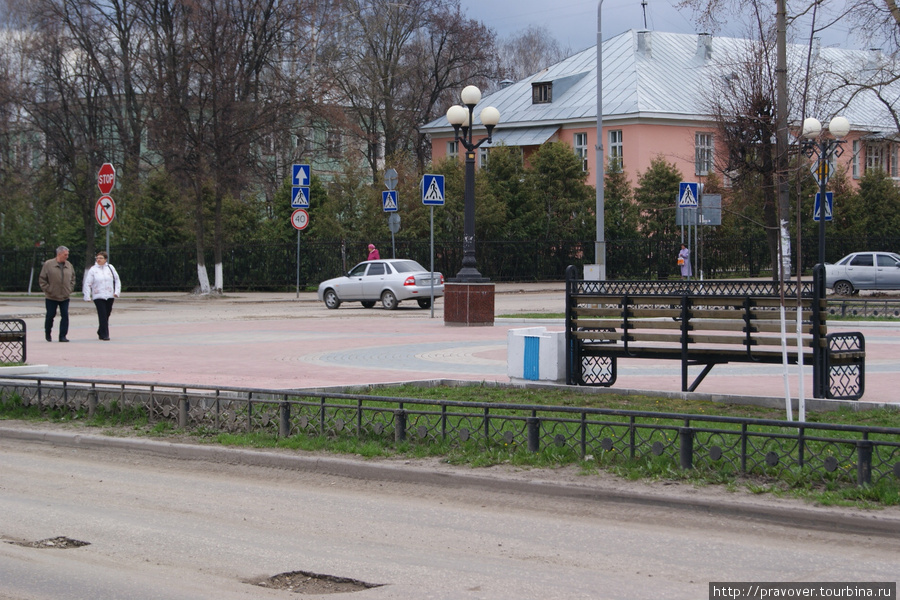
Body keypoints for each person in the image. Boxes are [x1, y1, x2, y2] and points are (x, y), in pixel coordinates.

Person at [39, 245, 76, 342]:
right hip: (51, 296)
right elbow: (42, 279)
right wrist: (48, 289)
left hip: (65, 296)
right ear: (59, 254)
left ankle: (62, 336)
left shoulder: (69, 265)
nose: (67, 256)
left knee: (65, 315)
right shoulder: (48, 264)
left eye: (67, 254)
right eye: (65, 254)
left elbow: (73, 278)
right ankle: (48, 333)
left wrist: (70, 289)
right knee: (50, 315)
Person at [83, 251, 121, 341]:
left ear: (105, 259)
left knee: (107, 314)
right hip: (98, 295)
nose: (98, 260)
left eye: (100, 258)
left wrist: (117, 292)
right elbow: (88, 283)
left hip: (110, 295)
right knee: (102, 315)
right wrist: (87, 295)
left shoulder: (110, 267)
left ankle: (100, 330)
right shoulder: (93, 269)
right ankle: (105, 335)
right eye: (97, 258)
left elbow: (117, 280)